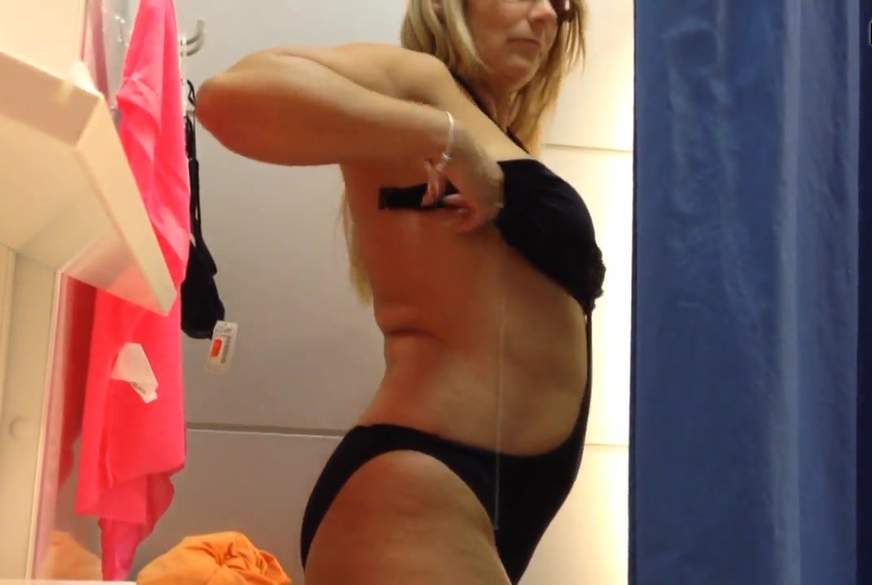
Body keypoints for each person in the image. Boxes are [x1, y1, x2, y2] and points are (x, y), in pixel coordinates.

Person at [196, 0, 605, 582]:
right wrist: (446, 138)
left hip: (475, 496)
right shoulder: (422, 81)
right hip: (419, 489)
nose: (547, 15)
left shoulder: (495, 130)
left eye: (561, 5)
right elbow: (227, 99)